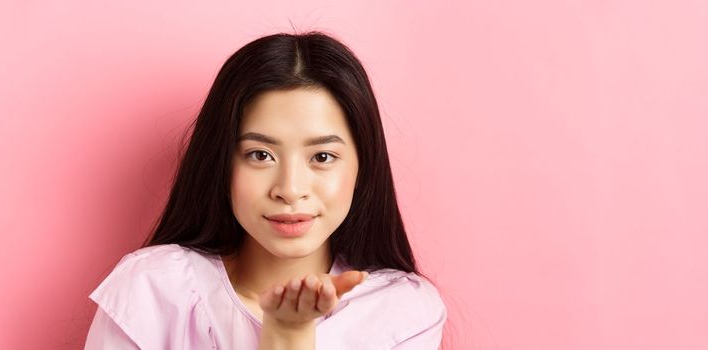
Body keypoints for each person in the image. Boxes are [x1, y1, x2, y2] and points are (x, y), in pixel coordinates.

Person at [84, 31, 446, 349]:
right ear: (222, 162)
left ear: (363, 166)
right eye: (260, 155)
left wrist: (290, 335)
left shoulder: (402, 313)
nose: (290, 189)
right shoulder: (154, 290)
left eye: (322, 156)